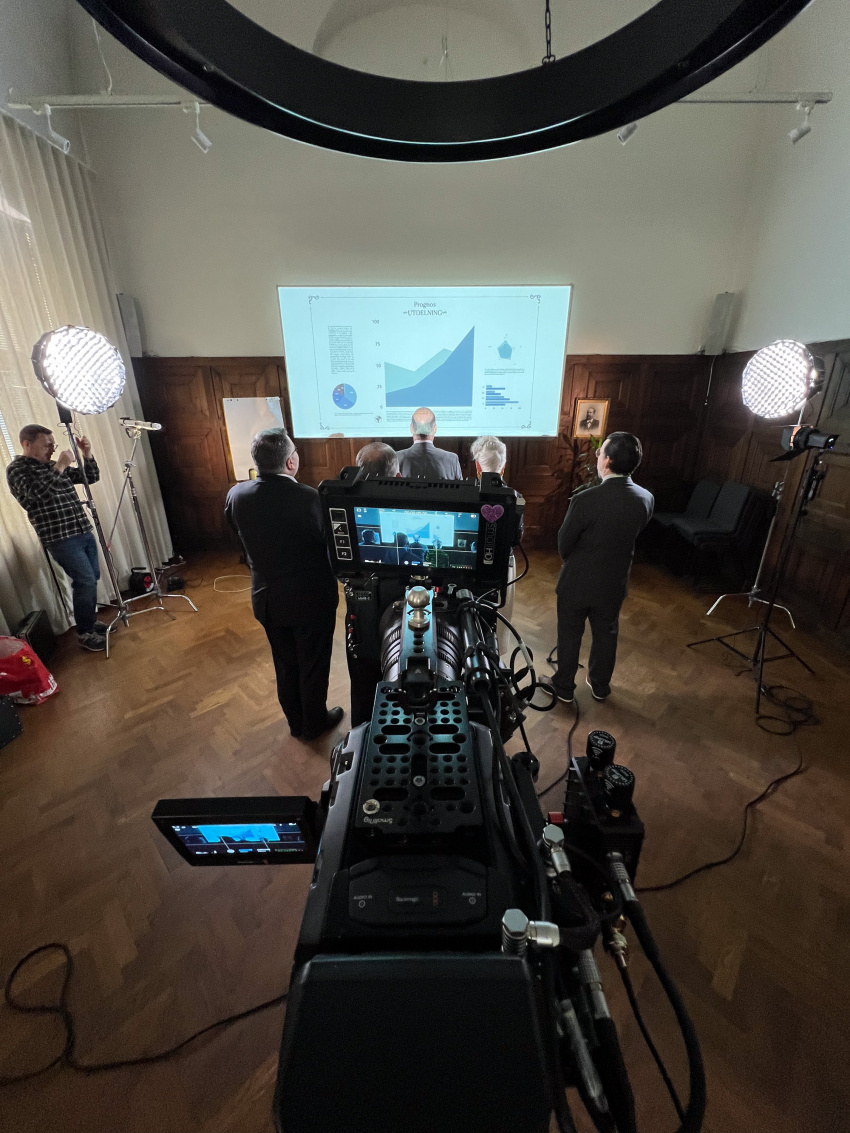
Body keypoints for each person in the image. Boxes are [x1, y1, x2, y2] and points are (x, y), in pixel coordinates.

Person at [225, 428, 343, 741]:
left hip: (266, 598)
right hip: (311, 600)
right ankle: (314, 723)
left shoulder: (236, 495)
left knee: (285, 663)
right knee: (313, 663)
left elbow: (238, 533)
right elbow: (331, 546)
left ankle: (295, 722)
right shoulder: (311, 498)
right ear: (291, 462)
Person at [552, 432, 653, 703]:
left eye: (599, 453)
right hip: (614, 582)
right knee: (606, 634)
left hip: (577, 581)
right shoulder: (646, 498)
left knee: (570, 634)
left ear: (607, 461)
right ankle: (599, 685)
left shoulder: (585, 499)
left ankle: (564, 687)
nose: (597, 457)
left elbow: (564, 543)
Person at [6, 424, 108, 652]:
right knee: (85, 581)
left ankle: (88, 622)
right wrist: (60, 466)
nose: (52, 449)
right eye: (47, 445)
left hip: (82, 529)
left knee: (91, 578)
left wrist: (87, 454)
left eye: (53, 444)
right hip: (60, 538)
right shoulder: (17, 470)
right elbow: (37, 495)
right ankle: (84, 633)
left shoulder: (50, 465)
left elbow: (90, 477)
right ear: (26, 444)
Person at [470, 436, 517, 654]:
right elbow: (516, 538)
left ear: (477, 467)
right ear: (503, 467)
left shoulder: (467, 495)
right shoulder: (515, 498)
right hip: (502, 571)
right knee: (498, 622)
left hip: (469, 573)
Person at [396, 408, 463, 480]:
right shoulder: (452, 459)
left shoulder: (396, 458)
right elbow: (461, 487)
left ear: (411, 428)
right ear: (434, 429)